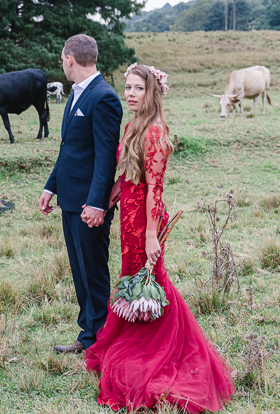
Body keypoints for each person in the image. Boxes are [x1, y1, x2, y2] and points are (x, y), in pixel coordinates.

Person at [85, 63, 236, 413]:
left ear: (152, 92)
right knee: (133, 281)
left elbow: (156, 188)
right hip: (130, 215)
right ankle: (136, 337)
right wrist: (111, 194)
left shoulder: (154, 130)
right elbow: (130, 174)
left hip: (146, 221)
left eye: (138, 88)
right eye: (128, 87)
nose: (130, 93)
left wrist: (152, 235)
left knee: (151, 281)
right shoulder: (133, 124)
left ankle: (157, 347)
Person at [39, 34, 123, 353]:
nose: (62, 64)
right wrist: (51, 186)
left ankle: (101, 341)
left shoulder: (103, 97)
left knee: (94, 273)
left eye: (62, 59)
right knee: (80, 271)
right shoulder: (76, 94)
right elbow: (69, 149)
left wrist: (97, 204)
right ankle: (87, 335)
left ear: (69, 59)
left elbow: (105, 156)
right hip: (70, 198)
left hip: (90, 204)